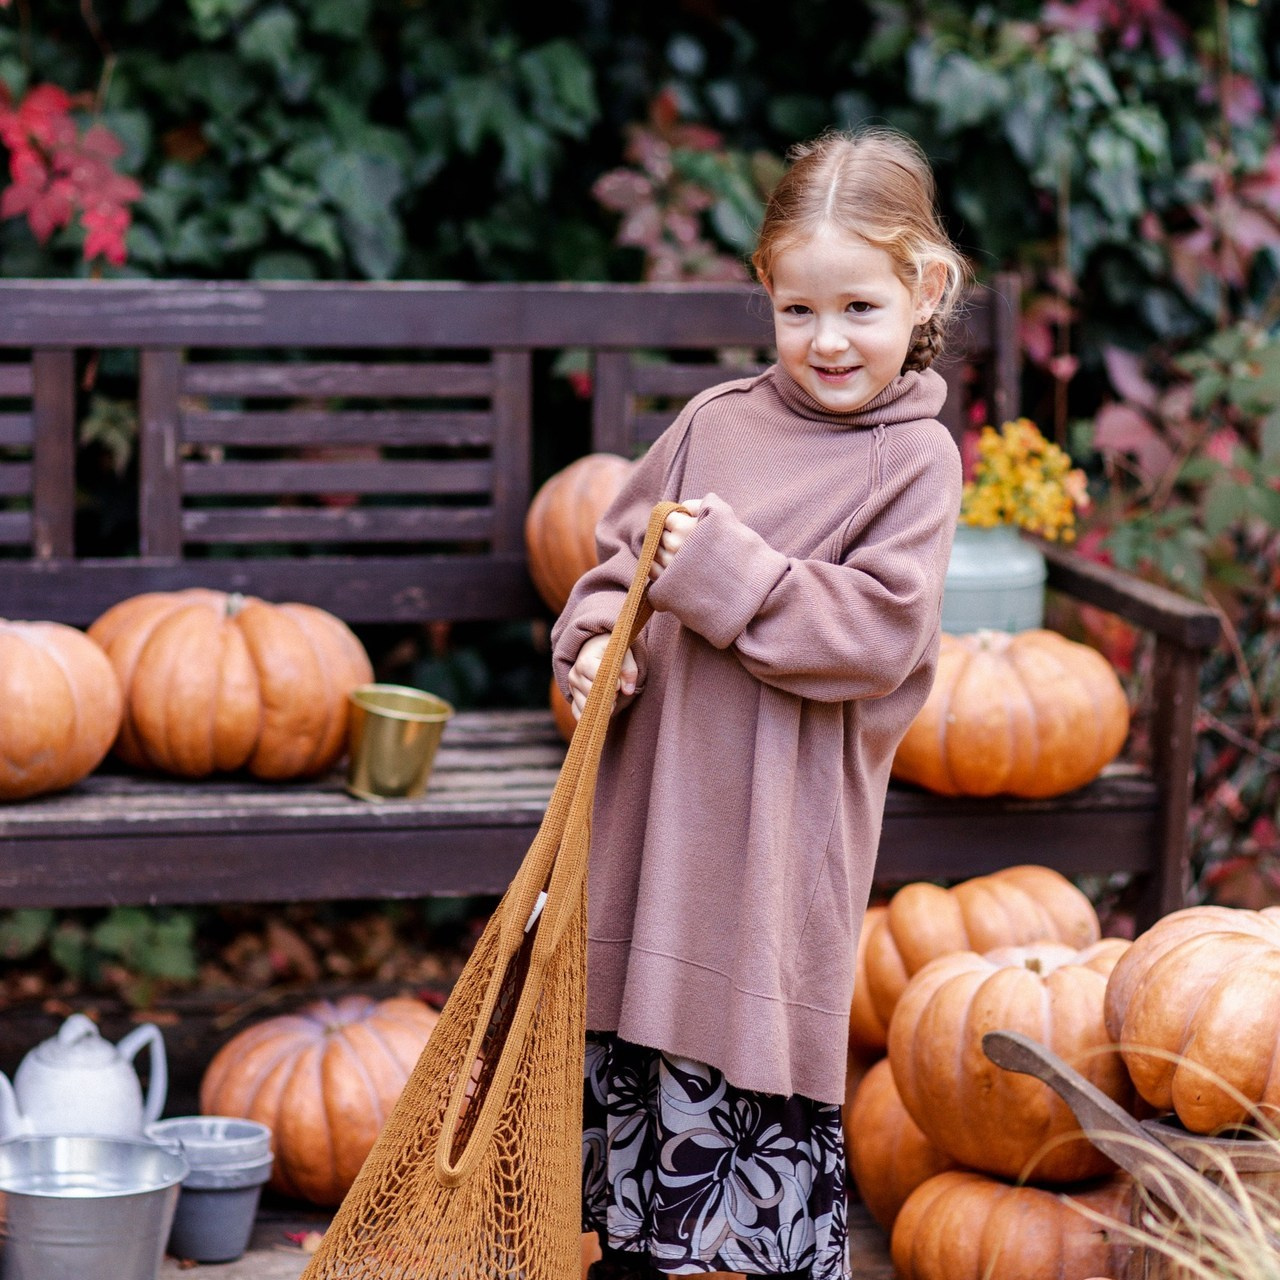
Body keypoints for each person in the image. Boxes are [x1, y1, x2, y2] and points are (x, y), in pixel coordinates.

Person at [552, 127, 970, 1280]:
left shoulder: (913, 460)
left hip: (777, 837)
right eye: (797, 311)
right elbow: (610, 571)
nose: (825, 341)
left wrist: (729, 577)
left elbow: (878, 635)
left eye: (857, 308)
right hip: (655, 815)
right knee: (628, 1049)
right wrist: (594, 647)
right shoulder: (714, 422)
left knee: (735, 1043)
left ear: (920, 289)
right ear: (765, 295)